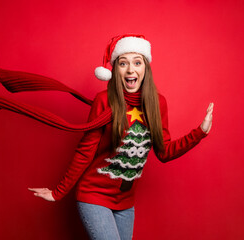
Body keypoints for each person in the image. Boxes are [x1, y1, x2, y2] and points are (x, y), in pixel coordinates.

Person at [28, 34, 214, 240]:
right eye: (123, 63)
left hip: (125, 202)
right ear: (115, 70)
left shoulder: (157, 103)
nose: (130, 69)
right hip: (94, 196)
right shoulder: (103, 101)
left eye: (137, 62)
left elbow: (164, 151)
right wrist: (58, 192)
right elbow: (85, 152)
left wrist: (200, 133)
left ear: (146, 68)